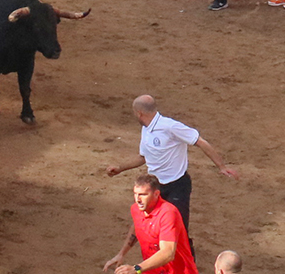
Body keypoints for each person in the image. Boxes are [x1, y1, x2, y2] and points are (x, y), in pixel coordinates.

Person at [102, 95, 238, 230]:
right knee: (155, 227)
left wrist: (222, 166)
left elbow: (200, 141)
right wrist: (120, 168)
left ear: (139, 113)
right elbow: (143, 157)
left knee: (178, 229)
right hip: (156, 187)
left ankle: (186, 252)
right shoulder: (146, 129)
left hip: (177, 186)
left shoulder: (170, 127)